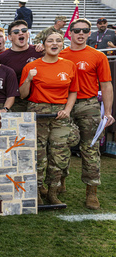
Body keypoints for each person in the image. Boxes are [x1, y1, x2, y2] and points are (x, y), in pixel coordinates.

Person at [60, 18, 115, 209]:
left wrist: (107, 112)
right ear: (70, 33)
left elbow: (106, 84)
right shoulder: (60, 53)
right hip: (64, 104)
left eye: (85, 30)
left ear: (89, 33)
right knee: (61, 146)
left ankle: (91, 192)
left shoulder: (98, 56)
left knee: (90, 148)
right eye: (77, 30)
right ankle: (60, 183)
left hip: (88, 105)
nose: (81, 34)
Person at [20, 32, 79, 205]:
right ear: (43, 44)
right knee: (38, 154)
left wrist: (67, 110)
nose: (54, 43)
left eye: (58, 41)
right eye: (50, 41)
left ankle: (52, 192)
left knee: (59, 154)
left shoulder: (69, 65)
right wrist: (29, 79)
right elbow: (23, 95)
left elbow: (73, 91)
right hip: (38, 112)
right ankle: (37, 191)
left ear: (62, 44)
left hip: (60, 113)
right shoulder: (32, 66)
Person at [0, 20, 44, 112]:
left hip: (39, 102)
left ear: (28, 34)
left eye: (24, 30)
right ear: (9, 37)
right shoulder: (2, 58)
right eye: (16, 32)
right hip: (16, 102)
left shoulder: (39, 51)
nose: (20, 33)